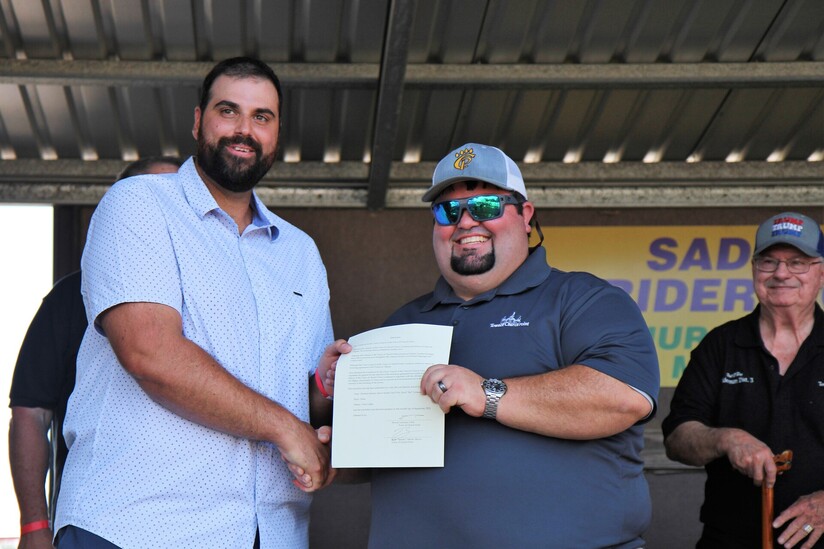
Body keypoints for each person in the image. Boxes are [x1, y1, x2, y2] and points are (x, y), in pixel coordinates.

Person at [52, 57, 336, 548]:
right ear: (198, 119)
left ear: (276, 132)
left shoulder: (301, 252)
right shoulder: (139, 204)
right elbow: (150, 352)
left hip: (268, 532)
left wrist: (324, 386)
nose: (244, 130)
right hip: (136, 525)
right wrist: (286, 429)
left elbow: (305, 394)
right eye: (229, 111)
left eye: (261, 117)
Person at [320, 143, 660, 548]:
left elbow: (623, 398)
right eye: (448, 211)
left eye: (485, 206)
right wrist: (332, 427)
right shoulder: (403, 325)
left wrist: (486, 393)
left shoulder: (583, 299)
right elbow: (381, 455)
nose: (465, 222)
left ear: (525, 215)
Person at [8, 155, 182, 549]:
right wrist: (34, 526)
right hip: (97, 525)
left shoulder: (213, 296)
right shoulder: (70, 297)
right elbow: (31, 415)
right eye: (153, 201)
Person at [663, 211, 824, 549]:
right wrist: (726, 439)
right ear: (753, 269)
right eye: (768, 261)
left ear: (820, 271)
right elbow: (677, 439)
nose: (781, 273)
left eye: (797, 262)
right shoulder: (720, 345)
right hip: (730, 540)